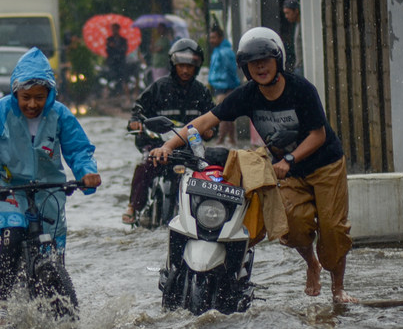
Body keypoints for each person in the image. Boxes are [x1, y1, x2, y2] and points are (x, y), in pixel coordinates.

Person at [150, 27, 357, 303]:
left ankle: (338, 288)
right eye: (253, 62)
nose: (260, 67)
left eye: (265, 60)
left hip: (325, 165)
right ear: (246, 68)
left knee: (332, 230)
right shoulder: (247, 95)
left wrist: (290, 159)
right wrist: (167, 145)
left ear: (278, 60)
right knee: (292, 226)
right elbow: (204, 122)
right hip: (288, 171)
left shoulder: (301, 90)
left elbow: (318, 135)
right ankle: (312, 264)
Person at [0, 47, 101, 305]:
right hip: (5, 189)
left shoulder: (60, 115)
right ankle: (1, 307)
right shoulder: (0, 112)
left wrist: (87, 173)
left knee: (53, 254)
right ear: (15, 94)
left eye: (39, 97)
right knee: (14, 236)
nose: (32, 104)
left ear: (50, 95)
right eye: (26, 97)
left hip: (48, 190)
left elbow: (79, 149)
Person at [122, 38, 215, 225]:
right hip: (158, 146)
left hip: (190, 150)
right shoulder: (159, 87)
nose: (186, 70)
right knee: (146, 164)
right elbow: (139, 110)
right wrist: (135, 122)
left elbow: (214, 117)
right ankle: (133, 206)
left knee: (211, 171)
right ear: (173, 64)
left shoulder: (201, 92)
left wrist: (210, 131)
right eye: (181, 65)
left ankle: (210, 214)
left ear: (197, 66)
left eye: (190, 66)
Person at [208, 27, 241, 146]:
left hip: (224, 86)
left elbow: (230, 70)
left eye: (214, 37)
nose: (211, 40)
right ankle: (231, 139)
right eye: (210, 37)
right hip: (222, 85)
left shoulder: (224, 52)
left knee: (221, 114)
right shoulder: (220, 50)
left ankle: (221, 140)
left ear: (220, 37)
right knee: (228, 114)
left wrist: (230, 85)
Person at [105, 23, 129, 98]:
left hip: (120, 62)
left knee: (121, 78)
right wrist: (110, 46)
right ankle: (113, 93)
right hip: (112, 62)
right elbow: (107, 51)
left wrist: (116, 47)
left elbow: (124, 50)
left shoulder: (123, 40)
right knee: (112, 77)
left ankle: (120, 92)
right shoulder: (109, 40)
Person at [283, 0, 303, 76]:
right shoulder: (297, 25)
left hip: (302, 65)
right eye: (285, 13)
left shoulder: (302, 25)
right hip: (299, 65)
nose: (286, 16)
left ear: (296, 11)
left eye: (288, 13)